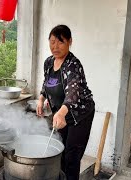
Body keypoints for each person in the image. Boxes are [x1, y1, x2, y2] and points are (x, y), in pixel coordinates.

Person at [36, 24, 95, 180]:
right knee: (59, 150)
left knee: (72, 156)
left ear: (70, 41)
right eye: (52, 42)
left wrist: (61, 112)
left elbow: (73, 93)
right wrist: (41, 98)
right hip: (61, 114)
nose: (55, 47)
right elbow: (46, 82)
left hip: (80, 114)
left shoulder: (73, 65)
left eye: (60, 42)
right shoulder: (49, 62)